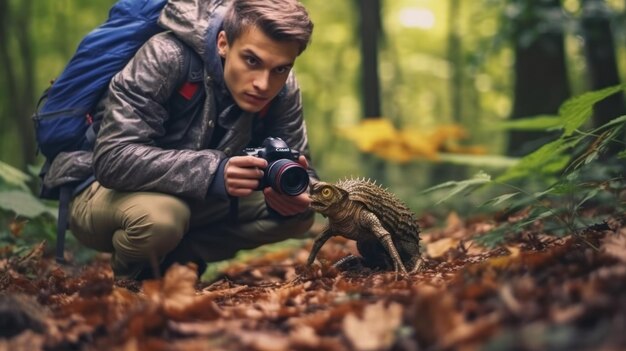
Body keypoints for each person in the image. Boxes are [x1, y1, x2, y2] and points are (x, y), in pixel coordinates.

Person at [55, 0, 317, 279]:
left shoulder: (283, 88)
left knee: (300, 212)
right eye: (251, 61)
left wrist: (297, 190)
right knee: (162, 219)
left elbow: (300, 166)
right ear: (223, 43)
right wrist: (214, 171)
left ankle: (178, 263)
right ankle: (135, 282)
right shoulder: (166, 56)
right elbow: (112, 158)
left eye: (280, 69)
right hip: (98, 188)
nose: (264, 84)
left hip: (192, 199)